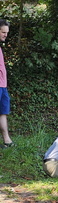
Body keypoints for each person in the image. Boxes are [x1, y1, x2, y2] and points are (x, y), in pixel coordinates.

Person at [0, 19, 14, 148]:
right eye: (3, 32)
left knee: (3, 112)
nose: (5, 35)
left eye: (7, 32)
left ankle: (7, 140)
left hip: (2, 86)